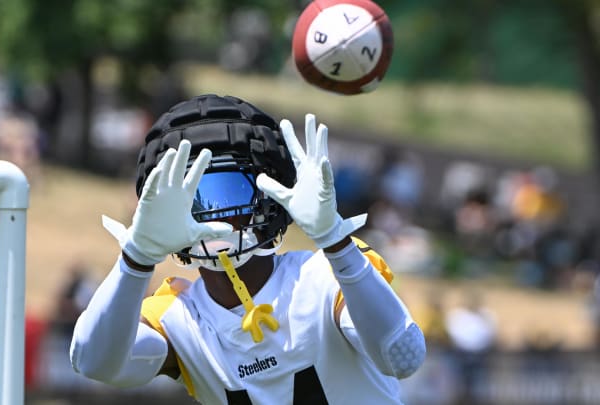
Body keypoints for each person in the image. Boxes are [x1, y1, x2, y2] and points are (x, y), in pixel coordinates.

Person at [70, 94, 426, 404]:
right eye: (193, 197)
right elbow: (94, 362)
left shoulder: (326, 277)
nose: (212, 214)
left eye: (228, 191)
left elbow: (403, 356)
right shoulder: (179, 317)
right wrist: (138, 256)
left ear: (267, 198)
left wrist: (335, 239)